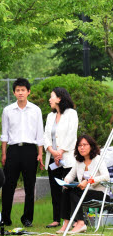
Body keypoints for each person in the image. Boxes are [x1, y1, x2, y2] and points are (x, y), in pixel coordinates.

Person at [0, 77, 44, 227]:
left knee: (29, 186)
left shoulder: (36, 110)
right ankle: (5, 217)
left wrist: (40, 153)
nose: (20, 93)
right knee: (8, 185)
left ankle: (27, 218)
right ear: (14, 92)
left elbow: (40, 133)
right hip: (13, 150)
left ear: (28, 92)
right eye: (17, 90)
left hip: (30, 150)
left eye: (23, 90)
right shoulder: (7, 110)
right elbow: (4, 134)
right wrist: (4, 153)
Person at [58, 134, 110, 234]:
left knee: (74, 192)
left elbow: (106, 176)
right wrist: (66, 181)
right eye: (79, 145)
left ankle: (80, 223)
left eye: (85, 145)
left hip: (99, 193)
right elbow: (70, 175)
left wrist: (89, 181)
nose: (82, 147)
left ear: (91, 146)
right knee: (67, 190)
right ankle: (66, 223)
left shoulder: (98, 159)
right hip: (83, 193)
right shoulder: (79, 162)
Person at [43, 87, 78, 228]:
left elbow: (72, 134)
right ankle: (56, 218)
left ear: (59, 98)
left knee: (67, 189)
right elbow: (46, 136)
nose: (49, 100)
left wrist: (61, 151)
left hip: (67, 158)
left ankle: (71, 219)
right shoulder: (50, 116)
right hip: (53, 159)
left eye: (52, 97)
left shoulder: (71, 114)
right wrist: (52, 151)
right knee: (54, 189)